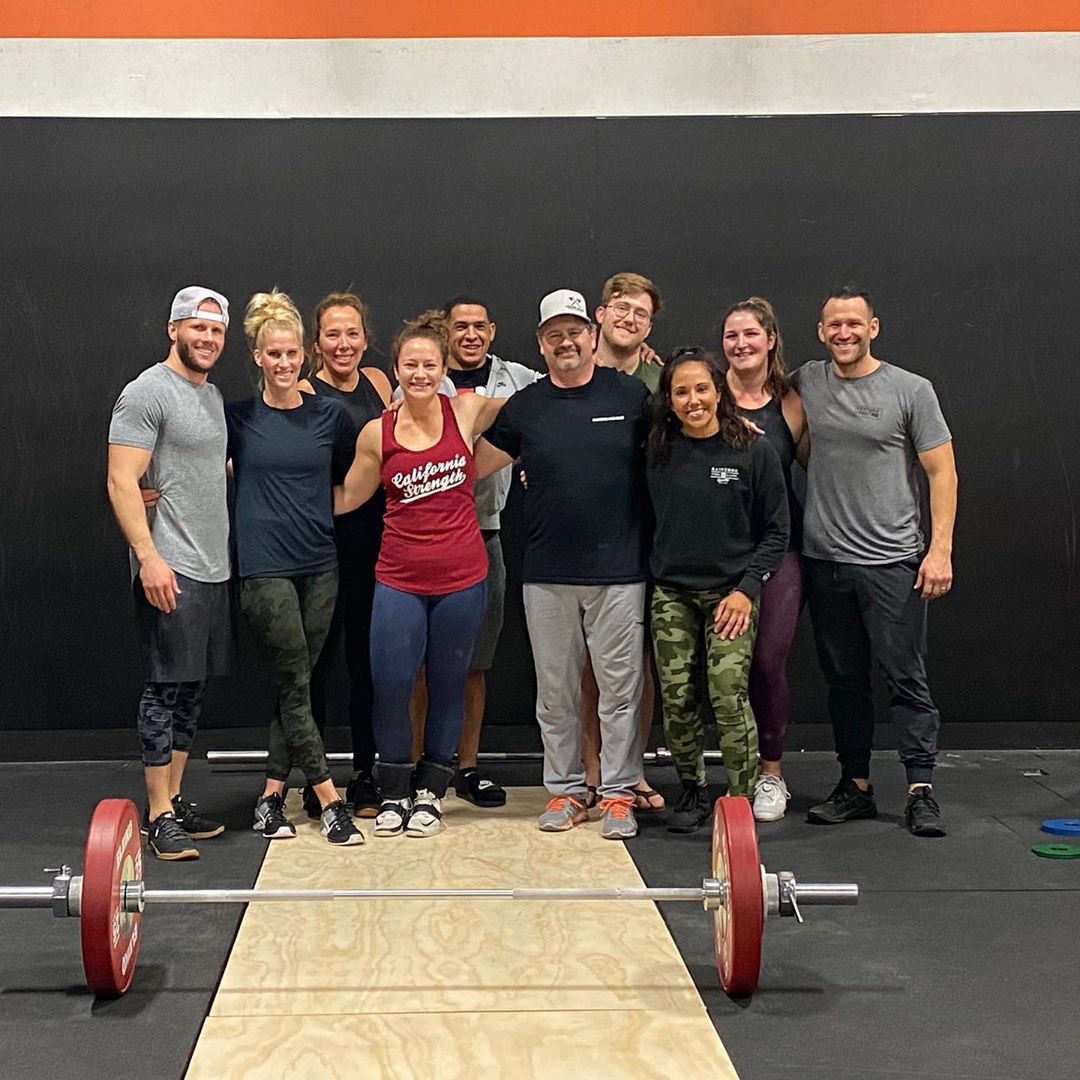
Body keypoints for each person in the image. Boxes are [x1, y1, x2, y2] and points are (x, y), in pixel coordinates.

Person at [476, 289, 651, 840]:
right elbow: (471, 465)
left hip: (621, 571)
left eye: (575, 331)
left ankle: (619, 792)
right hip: (546, 572)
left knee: (620, 690)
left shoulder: (631, 396)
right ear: (541, 343)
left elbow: (677, 458)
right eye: (555, 334)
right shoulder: (526, 406)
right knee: (555, 691)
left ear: (593, 336)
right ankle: (567, 791)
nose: (567, 341)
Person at [792, 286, 957, 837]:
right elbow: (746, 392)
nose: (844, 333)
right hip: (824, 560)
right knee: (844, 681)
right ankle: (855, 786)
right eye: (833, 324)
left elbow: (942, 474)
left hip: (892, 562)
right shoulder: (807, 382)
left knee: (905, 677)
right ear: (821, 332)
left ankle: (920, 789)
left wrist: (939, 551)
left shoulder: (910, 389)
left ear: (873, 327)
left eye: (853, 324)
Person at [335, 312, 506, 838]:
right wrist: (262, 486)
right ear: (396, 369)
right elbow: (346, 497)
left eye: (430, 364)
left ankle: (431, 793)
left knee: (449, 683)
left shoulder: (469, 410)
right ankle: (393, 792)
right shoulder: (375, 432)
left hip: (462, 578)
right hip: (398, 580)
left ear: (443, 367)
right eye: (410, 365)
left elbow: (538, 413)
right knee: (391, 685)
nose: (420, 373)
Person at [227, 290, 363, 846]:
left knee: (302, 679)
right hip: (264, 567)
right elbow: (188, 457)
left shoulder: (329, 415)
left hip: (321, 563)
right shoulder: (238, 418)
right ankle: (330, 798)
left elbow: (366, 470)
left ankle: (269, 797)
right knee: (293, 674)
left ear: (303, 356)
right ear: (257, 356)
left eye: (291, 354)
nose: (283, 363)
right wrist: (146, 489)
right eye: (272, 354)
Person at [107, 286, 233, 861]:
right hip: (170, 564)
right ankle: (158, 815)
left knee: (190, 691)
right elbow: (119, 480)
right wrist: (149, 557)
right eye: (196, 328)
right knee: (163, 688)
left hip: (212, 565)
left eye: (216, 331)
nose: (206, 339)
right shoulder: (145, 393)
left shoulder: (210, 396)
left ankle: (176, 799)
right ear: (173, 329)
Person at [647, 348, 789, 831]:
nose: (693, 400)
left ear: (719, 392)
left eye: (702, 389)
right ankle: (692, 787)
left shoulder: (753, 450)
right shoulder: (656, 451)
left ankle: (741, 796)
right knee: (678, 695)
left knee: (728, 694)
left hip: (732, 594)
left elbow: (776, 532)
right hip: (672, 594)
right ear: (668, 400)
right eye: (681, 391)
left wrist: (747, 590)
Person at [407, 296, 541, 807]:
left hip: (484, 532)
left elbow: (562, 392)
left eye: (477, 326)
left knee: (473, 664)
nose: (469, 334)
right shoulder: (422, 377)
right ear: (445, 331)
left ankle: (466, 767)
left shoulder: (518, 379)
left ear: (491, 330)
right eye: (458, 326)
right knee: (420, 664)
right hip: (425, 534)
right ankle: (419, 767)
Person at [299, 292, 392, 821]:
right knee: (316, 667)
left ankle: (364, 774)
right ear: (317, 343)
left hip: (378, 547)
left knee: (368, 667)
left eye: (352, 333)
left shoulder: (380, 384)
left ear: (365, 338)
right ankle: (316, 779)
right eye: (332, 334)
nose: (343, 344)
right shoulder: (304, 390)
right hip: (321, 546)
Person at [582, 271, 666, 813]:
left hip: (651, 533)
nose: (629, 318)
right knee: (589, 663)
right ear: (600, 314)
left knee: (641, 663)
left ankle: (629, 771)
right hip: (585, 540)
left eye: (640, 312)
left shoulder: (662, 381)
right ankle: (592, 771)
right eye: (620, 308)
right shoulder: (573, 371)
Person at [721, 298, 807, 822]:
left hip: (780, 548)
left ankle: (771, 773)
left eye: (751, 334)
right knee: (718, 672)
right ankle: (733, 769)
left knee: (768, 661)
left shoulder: (792, 403)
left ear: (770, 339)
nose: (741, 344)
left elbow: (825, 466)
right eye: (732, 336)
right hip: (718, 552)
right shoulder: (708, 394)